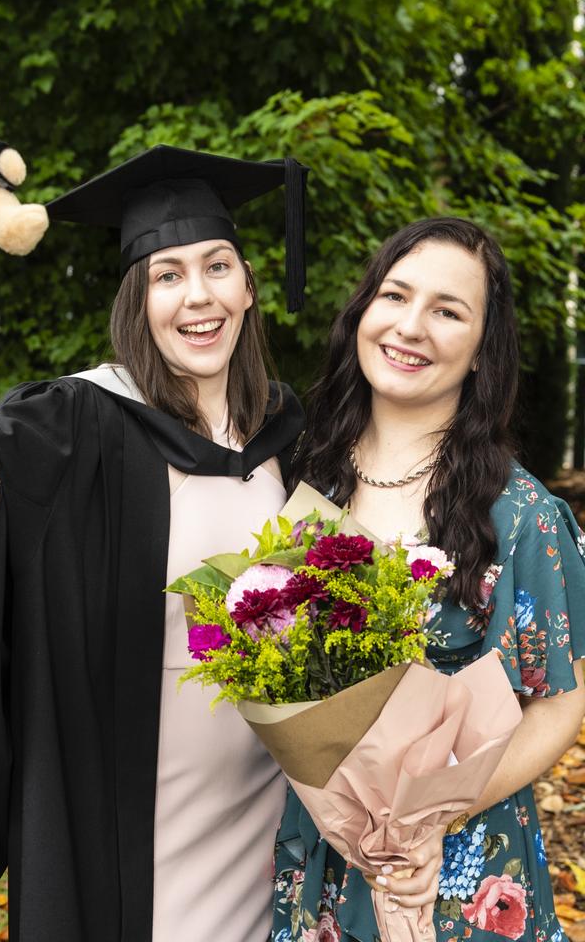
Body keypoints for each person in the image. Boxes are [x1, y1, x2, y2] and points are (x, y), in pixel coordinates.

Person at [0, 112, 308, 941]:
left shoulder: (288, 432)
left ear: (249, 286)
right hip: (129, 843)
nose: (199, 296)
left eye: (218, 266)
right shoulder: (84, 423)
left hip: (271, 834)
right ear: (137, 300)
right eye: (167, 275)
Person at [272, 216, 585, 942]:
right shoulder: (302, 482)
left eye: (448, 311)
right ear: (363, 312)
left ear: (481, 351)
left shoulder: (520, 514)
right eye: (395, 296)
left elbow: (560, 707)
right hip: (322, 851)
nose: (411, 326)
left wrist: (430, 816)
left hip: (458, 868)